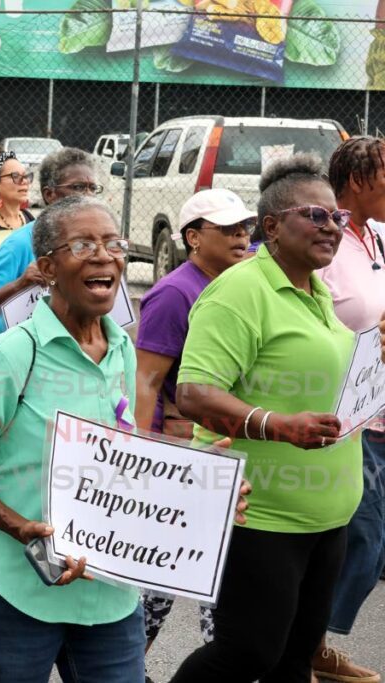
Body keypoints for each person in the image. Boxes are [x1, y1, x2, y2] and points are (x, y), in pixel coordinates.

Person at [0, 196, 221, 681]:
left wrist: (201, 488)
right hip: (13, 590)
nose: (104, 256)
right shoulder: (10, 355)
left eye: (113, 243)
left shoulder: (123, 348)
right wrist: (21, 526)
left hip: (109, 595)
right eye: (83, 245)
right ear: (46, 268)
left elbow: (124, 459)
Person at [170, 154, 363, 681]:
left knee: (295, 659)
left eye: (338, 217)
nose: (332, 227)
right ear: (271, 226)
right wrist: (277, 425)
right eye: (315, 216)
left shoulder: (314, 289)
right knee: (247, 651)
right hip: (262, 514)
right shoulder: (239, 292)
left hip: (327, 516)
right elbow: (194, 393)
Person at [133, 189, 256, 664]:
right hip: (182, 457)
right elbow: (147, 381)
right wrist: (144, 455)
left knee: (215, 581)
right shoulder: (174, 292)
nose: (241, 235)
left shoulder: (241, 283)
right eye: (226, 229)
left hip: (224, 455)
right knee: (159, 586)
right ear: (192, 237)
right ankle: (121, 669)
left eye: (244, 226)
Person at [307, 137, 385, 683]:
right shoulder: (323, 242)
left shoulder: (375, 236)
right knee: (362, 538)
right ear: (357, 181)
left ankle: (309, 646)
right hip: (340, 415)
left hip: (378, 411)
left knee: (370, 545)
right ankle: (303, 647)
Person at [0, 147, 101, 337]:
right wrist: (20, 284)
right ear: (49, 194)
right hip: (20, 362)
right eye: (78, 187)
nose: (88, 196)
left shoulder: (100, 246)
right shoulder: (21, 244)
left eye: (92, 188)